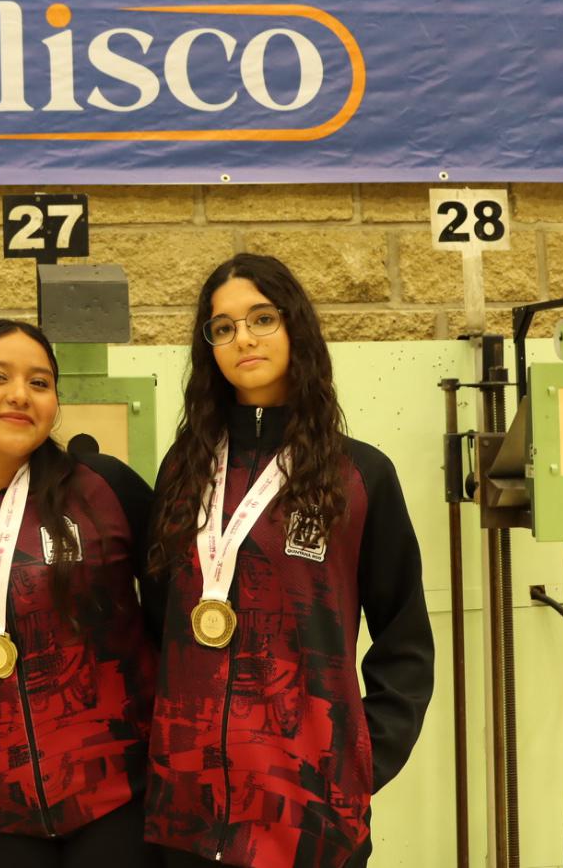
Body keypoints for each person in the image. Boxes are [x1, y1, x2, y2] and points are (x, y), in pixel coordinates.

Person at [144, 254, 434, 868]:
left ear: (295, 327)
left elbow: (404, 640)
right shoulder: (183, 469)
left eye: (261, 318)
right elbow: (154, 626)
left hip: (308, 813)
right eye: (222, 327)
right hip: (186, 813)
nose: (242, 338)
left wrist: (357, 763)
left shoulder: (359, 476)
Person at [0, 319, 160, 868]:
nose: (20, 394)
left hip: (118, 799)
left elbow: (174, 610)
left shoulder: (104, 489)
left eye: (40, 383)